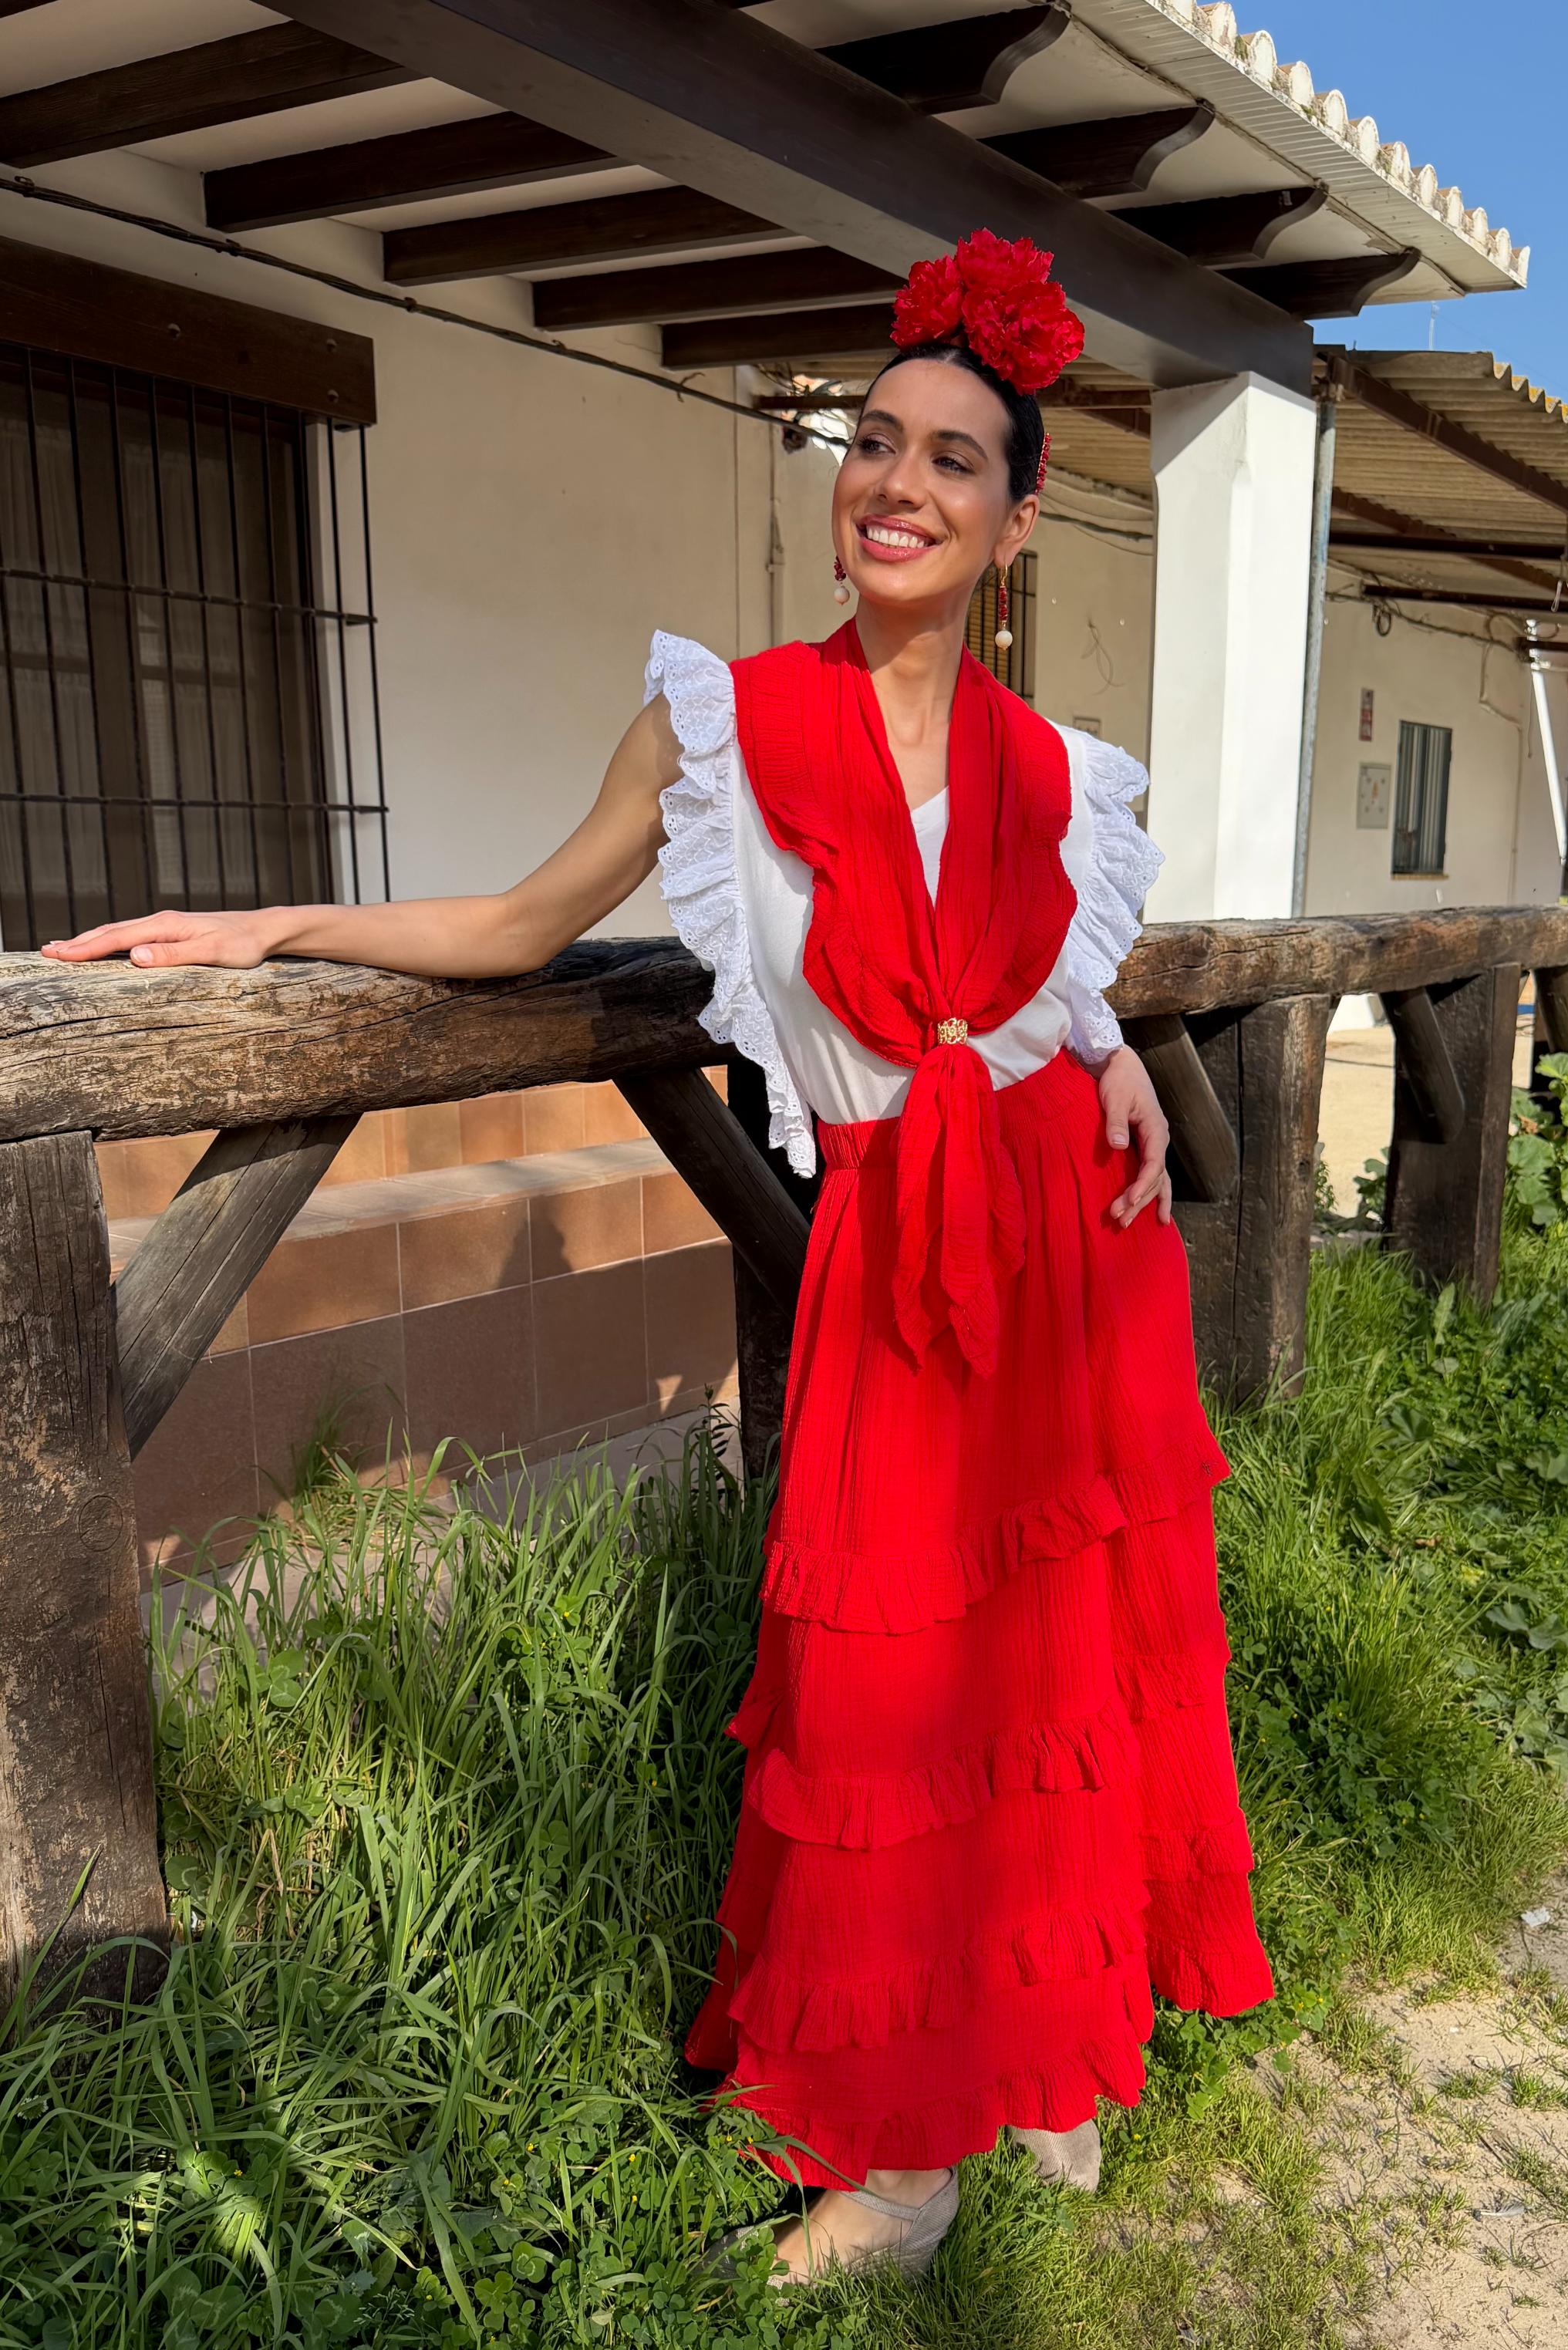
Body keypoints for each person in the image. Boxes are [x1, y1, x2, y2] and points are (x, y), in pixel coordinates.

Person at [42, 231, 1273, 2289]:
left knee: (1061, 1665)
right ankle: (898, 2154)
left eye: (952, 460)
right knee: (881, 1706)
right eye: (872, 442)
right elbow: (522, 932)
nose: (897, 482)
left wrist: (1122, 1060)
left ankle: (1039, 2058)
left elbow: (1053, 991)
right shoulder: (717, 726)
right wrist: (257, 932)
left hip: (1066, 1260)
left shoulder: (1062, 775)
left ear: (1015, 517)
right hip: (895, 1268)